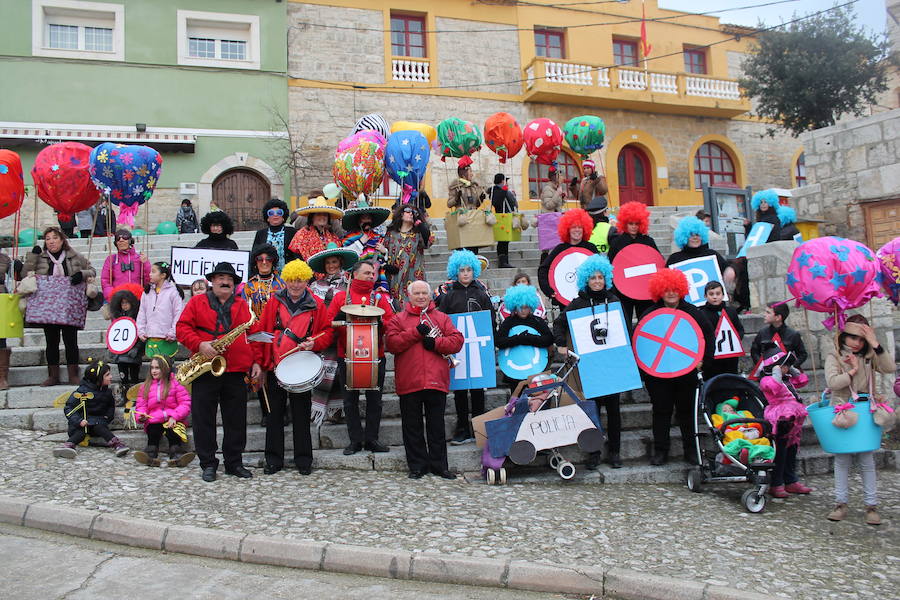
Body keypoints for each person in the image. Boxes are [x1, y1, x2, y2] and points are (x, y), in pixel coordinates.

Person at [176, 262, 262, 482]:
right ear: (212, 281)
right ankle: (208, 463)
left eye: (230, 279)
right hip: (206, 368)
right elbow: (182, 328)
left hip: (235, 370)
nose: (225, 282)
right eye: (221, 278)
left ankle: (234, 463)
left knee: (236, 419)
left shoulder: (243, 305)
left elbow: (254, 335)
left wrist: (256, 361)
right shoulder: (197, 302)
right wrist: (200, 344)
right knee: (203, 419)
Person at [258, 259, 331, 476]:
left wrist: (314, 343)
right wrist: (263, 364)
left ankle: (304, 460)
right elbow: (263, 332)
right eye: (291, 280)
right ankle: (273, 460)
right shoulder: (274, 302)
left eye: (299, 280)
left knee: (301, 415)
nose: (295, 285)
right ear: (286, 280)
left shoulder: (317, 304)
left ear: (306, 281)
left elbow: (327, 332)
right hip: (276, 366)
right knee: (274, 415)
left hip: (302, 368)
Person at [385, 280, 464, 479]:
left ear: (430, 296)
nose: (421, 297)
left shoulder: (442, 317)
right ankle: (417, 466)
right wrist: (415, 333)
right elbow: (392, 344)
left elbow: (457, 341)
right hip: (409, 380)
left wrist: (436, 343)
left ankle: (440, 466)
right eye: (417, 293)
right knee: (412, 427)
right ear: (409, 296)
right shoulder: (398, 319)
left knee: (436, 426)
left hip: (436, 379)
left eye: (424, 293)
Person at [552, 255, 623, 468]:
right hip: (590, 366)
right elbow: (559, 323)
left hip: (611, 364)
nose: (597, 281)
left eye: (600, 277)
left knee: (614, 410)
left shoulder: (614, 300)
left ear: (606, 279)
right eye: (593, 277)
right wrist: (561, 344)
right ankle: (594, 452)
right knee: (593, 410)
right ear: (586, 280)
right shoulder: (578, 303)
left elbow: (624, 329)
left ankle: (615, 452)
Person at [824, 315, 894, 525]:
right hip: (842, 410)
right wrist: (852, 371)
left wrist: (875, 343)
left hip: (865, 409)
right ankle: (840, 503)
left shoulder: (869, 356)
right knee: (842, 459)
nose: (857, 343)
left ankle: (871, 505)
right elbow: (833, 382)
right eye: (853, 337)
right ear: (844, 336)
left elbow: (889, 367)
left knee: (867, 458)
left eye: (862, 339)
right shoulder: (835, 356)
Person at [639, 269, 714, 465]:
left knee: (687, 412)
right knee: (661, 411)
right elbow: (641, 344)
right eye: (666, 289)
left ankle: (691, 450)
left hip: (687, 373)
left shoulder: (694, 313)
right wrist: (646, 371)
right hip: (658, 375)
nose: (671, 293)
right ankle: (661, 451)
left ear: (681, 290)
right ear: (659, 291)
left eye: (674, 289)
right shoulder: (650, 314)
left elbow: (708, 337)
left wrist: (703, 361)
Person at [325, 260, 395, 455]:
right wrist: (337, 320)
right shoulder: (341, 297)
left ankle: (372, 439)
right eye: (367, 273)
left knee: (375, 400)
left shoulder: (379, 298)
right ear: (354, 275)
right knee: (349, 401)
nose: (371, 276)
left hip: (375, 355)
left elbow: (392, 323)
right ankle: (355, 440)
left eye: (372, 273)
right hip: (346, 355)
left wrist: (382, 323)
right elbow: (328, 323)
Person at [435, 250, 496, 445]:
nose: (466, 273)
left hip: (478, 347)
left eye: (469, 270)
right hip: (457, 349)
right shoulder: (448, 296)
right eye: (462, 270)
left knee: (478, 389)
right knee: (460, 390)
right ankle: (462, 428)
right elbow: (442, 321)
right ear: (456, 272)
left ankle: (478, 426)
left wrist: (491, 343)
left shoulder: (482, 294)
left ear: (474, 270)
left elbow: (491, 320)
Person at [23, 227, 95, 386]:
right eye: (48, 239)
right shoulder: (40, 258)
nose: (51, 242)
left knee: (71, 340)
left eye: (55, 238)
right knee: (51, 341)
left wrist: (81, 274)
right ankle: (53, 375)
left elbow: (91, 270)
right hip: (47, 307)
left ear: (62, 240)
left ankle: (73, 374)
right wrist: (32, 256)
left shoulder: (74, 256)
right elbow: (24, 274)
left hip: (69, 305)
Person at [306, 243, 356, 423]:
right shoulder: (314, 285)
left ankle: (336, 410)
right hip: (321, 335)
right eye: (328, 263)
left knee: (338, 373)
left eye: (334, 262)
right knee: (322, 373)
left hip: (340, 335)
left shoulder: (349, 284)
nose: (331, 266)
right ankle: (319, 409)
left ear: (340, 262)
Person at [239, 244, 287, 428]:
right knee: (259, 373)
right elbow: (244, 310)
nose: (264, 262)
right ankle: (266, 411)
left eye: (268, 259)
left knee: (280, 373)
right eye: (260, 259)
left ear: (274, 261)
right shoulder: (249, 286)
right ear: (255, 262)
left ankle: (282, 410)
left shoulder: (282, 284)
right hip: (257, 334)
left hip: (278, 333)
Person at [52, 360, 129, 459]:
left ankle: (117, 445)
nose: (111, 377)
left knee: (100, 428)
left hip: (98, 422)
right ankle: (68, 446)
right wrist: (78, 421)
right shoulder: (82, 392)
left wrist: (107, 417)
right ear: (98, 378)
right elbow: (69, 408)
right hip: (81, 423)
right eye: (107, 375)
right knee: (81, 432)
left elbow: (110, 406)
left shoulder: (107, 392)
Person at [133, 355, 195, 468]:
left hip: (172, 419)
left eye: (157, 368)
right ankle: (150, 454)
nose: (154, 371)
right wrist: (141, 416)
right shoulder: (145, 386)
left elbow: (185, 403)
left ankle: (176, 454)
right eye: (152, 368)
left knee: (173, 433)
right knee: (153, 431)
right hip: (154, 419)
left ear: (165, 369)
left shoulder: (175, 383)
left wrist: (175, 416)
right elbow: (141, 405)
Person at [607, 201, 659, 331]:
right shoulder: (617, 242)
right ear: (625, 223)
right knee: (624, 324)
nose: (634, 227)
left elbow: (657, 263)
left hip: (644, 290)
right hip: (622, 290)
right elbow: (610, 266)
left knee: (646, 323)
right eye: (631, 223)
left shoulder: (648, 241)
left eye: (637, 224)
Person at [495, 284, 553, 392]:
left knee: (536, 397)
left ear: (530, 307)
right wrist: (518, 339)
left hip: (535, 369)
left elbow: (549, 339)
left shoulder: (537, 321)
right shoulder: (508, 322)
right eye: (520, 307)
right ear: (514, 307)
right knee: (516, 397)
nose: (523, 310)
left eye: (526, 307)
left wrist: (529, 338)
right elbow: (499, 341)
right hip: (514, 370)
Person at [538, 208, 598, 307]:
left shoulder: (591, 248)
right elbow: (543, 270)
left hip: (589, 300)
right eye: (573, 227)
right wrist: (549, 290)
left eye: (580, 227)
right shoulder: (560, 249)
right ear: (567, 229)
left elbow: (601, 270)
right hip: (566, 302)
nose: (577, 230)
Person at [384, 204, 434, 307]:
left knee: (414, 304)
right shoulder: (391, 233)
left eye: (414, 213)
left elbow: (428, 241)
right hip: (394, 275)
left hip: (413, 274)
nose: (411, 213)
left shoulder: (418, 233)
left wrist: (420, 225)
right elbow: (384, 250)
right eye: (408, 211)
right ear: (401, 214)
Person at [666, 216, 735, 285]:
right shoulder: (674, 259)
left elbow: (727, 269)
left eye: (697, 234)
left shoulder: (711, 254)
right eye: (691, 235)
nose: (695, 237)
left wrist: (730, 270)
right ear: (684, 237)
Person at [341, 199, 392, 291]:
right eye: (364, 218)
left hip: (377, 278)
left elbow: (385, 260)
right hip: (357, 277)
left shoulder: (378, 237)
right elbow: (347, 256)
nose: (367, 221)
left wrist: (384, 251)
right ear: (358, 220)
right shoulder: (350, 237)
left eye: (369, 218)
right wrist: (360, 242)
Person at [107, 283, 145, 405]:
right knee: (123, 376)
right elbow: (113, 335)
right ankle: (124, 395)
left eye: (127, 303)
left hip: (133, 353)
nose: (124, 305)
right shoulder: (118, 319)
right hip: (120, 354)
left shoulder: (138, 318)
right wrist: (110, 348)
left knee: (134, 377)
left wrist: (137, 348)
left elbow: (141, 334)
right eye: (122, 303)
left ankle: (135, 397)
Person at [137, 262, 184, 360]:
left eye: (153, 272)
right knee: (154, 367)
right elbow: (142, 313)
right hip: (151, 338)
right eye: (150, 272)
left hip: (167, 338)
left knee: (166, 366)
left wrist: (173, 332)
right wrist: (141, 331)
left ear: (163, 275)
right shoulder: (147, 292)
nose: (150, 274)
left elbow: (178, 314)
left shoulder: (173, 292)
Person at [699, 281, 744, 380]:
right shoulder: (702, 314)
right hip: (712, 356)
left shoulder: (731, 311)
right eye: (711, 294)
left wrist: (735, 341)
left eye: (718, 294)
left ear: (723, 295)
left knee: (731, 379)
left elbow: (739, 329)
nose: (715, 297)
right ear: (705, 296)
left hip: (730, 356)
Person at [750, 302, 808, 371]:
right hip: (767, 373)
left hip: (787, 373)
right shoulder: (762, 333)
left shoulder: (793, 334)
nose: (764, 315)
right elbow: (754, 351)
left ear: (778, 317)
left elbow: (802, 354)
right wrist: (762, 366)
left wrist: (791, 367)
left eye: (768, 313)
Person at [447, 155, 487, 253]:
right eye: (470, 171)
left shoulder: (474, 186)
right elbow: (449, 204)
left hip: (473, 218)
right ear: (464, 173)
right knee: (463, 246)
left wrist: (481, 199)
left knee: (473, 245)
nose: (472, 174)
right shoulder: (455, 186)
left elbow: (476, 205)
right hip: (462, 219)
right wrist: (456, 197)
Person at [288, 196, 344, 261]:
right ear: (312, 217)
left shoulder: (332, 236)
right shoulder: (302, 234)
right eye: (318, 214)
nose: (322, 217)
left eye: (325, 214)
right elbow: (296, 256)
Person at [101, 229, 151, 301]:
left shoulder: (140, 258)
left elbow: (148, 280)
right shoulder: (111, 259)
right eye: (118, 238)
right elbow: (105, 280)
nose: (121, 240)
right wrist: (111, 296)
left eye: (124, 237)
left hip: (137, 298)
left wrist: (146, 263)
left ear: (130, 241)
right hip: (117, 299)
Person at [252, 198, 298, 273]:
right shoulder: (260, 234)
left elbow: (297, 254)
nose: (275, 215)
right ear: (267, 218)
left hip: (289, 274)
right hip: (267, 274)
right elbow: (255, 255)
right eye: (271, 213)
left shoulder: (291, 232)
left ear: (283, 217)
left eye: (279, 212)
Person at [488, 173, 518, 269]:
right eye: (505, 181)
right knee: (502, 240)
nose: (507, 183)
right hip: (501, 217)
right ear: (502, 181)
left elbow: (512, 203)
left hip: (507, 216)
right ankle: (502, 261)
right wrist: (504, 191)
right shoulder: (494, 190)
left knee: (506, 240)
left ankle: (505, 260)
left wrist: (513, 196)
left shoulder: (505, 191)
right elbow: (496, 202)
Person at [0, 248, 12, 390]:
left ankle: (2, 377)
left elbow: (19, 275)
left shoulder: (4, 258)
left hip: (1, 300)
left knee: (1, 337)